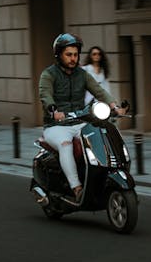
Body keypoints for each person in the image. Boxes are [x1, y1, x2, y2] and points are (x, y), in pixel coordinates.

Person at [39, 33, 127, 206]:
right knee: (66, 144)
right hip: (56, 126)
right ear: (59, 55)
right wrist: (53, 109)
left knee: (102, 135)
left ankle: (101, 178)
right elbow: (45, 94)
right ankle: (77, 188)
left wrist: (114, 106)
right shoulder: (48, 74)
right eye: (68, 55)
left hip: (79, 122)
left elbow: (99, 91)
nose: (73, 58)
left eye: (75, 54)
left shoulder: (82, 74)